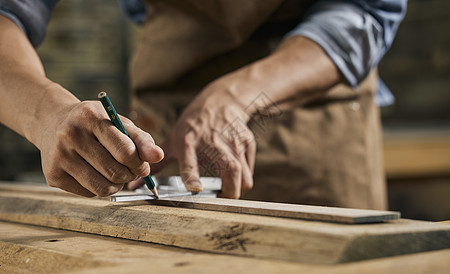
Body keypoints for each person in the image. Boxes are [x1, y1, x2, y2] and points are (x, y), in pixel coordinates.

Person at [0, 0, 407, 209]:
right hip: (164, 126)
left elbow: (369, 10)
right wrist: (45, 113)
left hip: (310, 119)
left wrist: (236, 96)